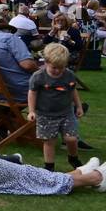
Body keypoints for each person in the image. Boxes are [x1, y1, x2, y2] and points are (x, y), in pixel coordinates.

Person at [28, 43, 86, 172]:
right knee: (49, 141)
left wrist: (79, 106)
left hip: (66, 112)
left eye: (61, 67)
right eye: (54, 67)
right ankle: (49, 167)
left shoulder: (69, 75)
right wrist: (31, 111)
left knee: (71, 138)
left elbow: (72, 90)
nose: (58, 71)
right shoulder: (38, 77)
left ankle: (73, 158)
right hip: (45, 114)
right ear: (46, 62)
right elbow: (32, 93)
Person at [0, 15, 38, 100]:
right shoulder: (10, 38)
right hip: (21, 90)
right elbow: (28, 65)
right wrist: (41, 70)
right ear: (8, 30)